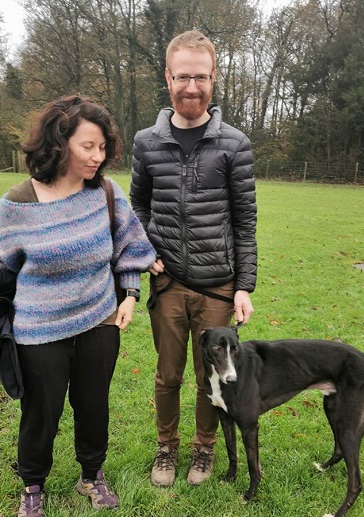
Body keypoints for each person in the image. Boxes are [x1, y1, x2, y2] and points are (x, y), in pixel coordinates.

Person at [0, 95, 156, 517]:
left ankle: (92, 476)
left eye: (102, 147)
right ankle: (33, 487)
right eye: (88, 147)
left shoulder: (106, 195)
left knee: (93, 406)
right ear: (59, 144)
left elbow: (130, 248)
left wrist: (129, 295)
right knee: (42, 412)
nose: (98, 157)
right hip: (38, 331)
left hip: (100, 321)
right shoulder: (18, 203)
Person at [130, 30, 257, 488]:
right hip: (167, 286)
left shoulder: (234, 144)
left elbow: (245, 221)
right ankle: (167, 449)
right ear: (168, 77)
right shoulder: (146, 142)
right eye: (183, 76)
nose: (191, 87)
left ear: (213, 78)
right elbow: (136, 209)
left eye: (200, 77)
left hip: (218, 287)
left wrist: (244, 285)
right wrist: (144, 251)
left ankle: (204, 450)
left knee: (213, 378)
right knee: (168, 375)